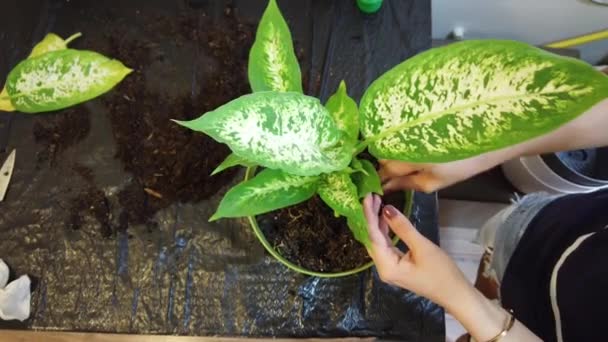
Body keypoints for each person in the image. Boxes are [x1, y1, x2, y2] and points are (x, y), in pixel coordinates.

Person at [363, 97, 608, 342]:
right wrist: (489, 145)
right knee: (495, 261)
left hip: (530, 330)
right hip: (545, 226)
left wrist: (462, 300)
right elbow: (592, 91)